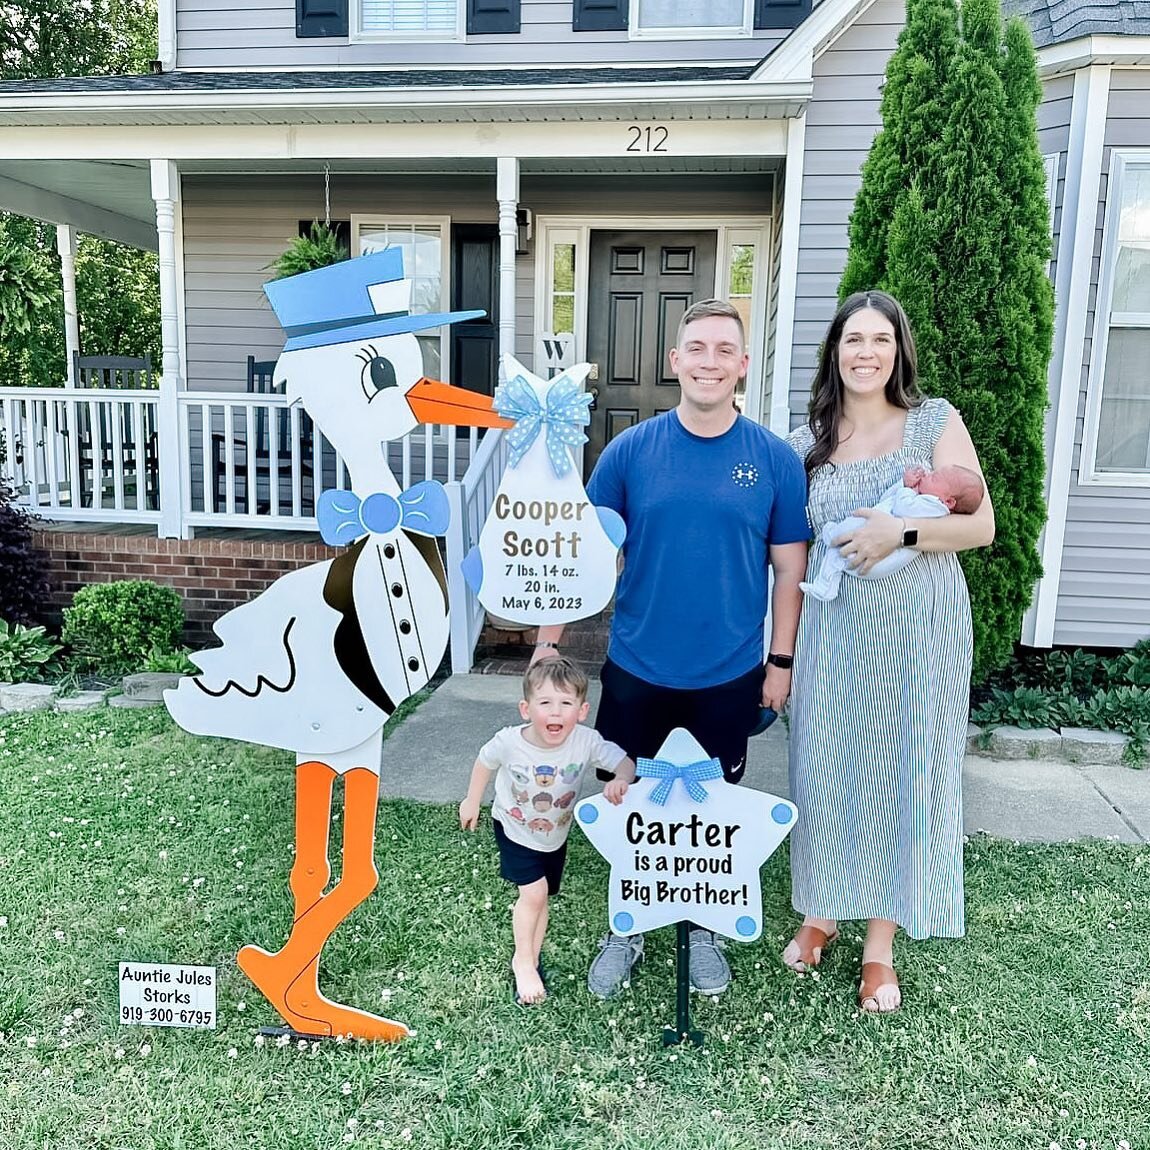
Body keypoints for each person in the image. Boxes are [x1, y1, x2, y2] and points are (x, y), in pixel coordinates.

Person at [532, 298, 810, 998]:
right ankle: (626, 927)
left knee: (712, 807)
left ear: (743, 365)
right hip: (639, 668)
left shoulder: (773, 460)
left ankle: (702, 925)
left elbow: (790, 572)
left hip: (730, 672)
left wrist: (780, 663)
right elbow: (582, 558)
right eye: (697, 348)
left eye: (725, 349)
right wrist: (545, 651)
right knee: (628, 798)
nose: (710, 361)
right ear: (675, 361)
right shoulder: (630, 453)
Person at [783, 290, 995, 1014]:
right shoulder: (809, 437)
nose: (864, 352)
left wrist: (898, 535)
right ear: (834, 352)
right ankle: (821, 911)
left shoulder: (935, 422)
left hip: (918, 630)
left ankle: (879, 945)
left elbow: (981, 527)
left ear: (899, 350)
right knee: (826, 765)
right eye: (852, 340)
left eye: (879, 339)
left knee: (902, 768)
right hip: (834, 631)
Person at [459, 657, 637, 1005]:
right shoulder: (510, 742)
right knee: (534, 894)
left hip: (555, 835)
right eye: (545, 703)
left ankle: (533, 955)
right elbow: (484, 761)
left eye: (566, 703)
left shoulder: (586, 742)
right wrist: (471, 800)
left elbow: (624, 762)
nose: (555, 712)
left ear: (582, 710)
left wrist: (621, 779)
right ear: (526, 709)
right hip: (513, 827)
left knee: (542, 898)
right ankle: (523, 962)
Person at [800, 463, 984, 601]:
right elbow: (888, 499)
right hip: (871, 551)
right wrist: (903, 485)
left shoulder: (934, 507)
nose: (927, 475)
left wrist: (908, 489)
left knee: (846, 536)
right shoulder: (924, 499)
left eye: (934, 478)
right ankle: (826, 583)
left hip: (879, 558)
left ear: (949, 502)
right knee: (839, 552)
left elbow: (902, 506)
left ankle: (831, 540)